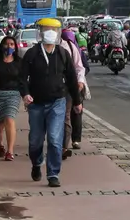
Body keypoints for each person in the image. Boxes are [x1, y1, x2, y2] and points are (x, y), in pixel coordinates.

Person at [19, 18, 82, 188]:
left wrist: (77, 101)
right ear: (40, 32)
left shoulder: (63, 53)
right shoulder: (32, 54)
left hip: (57, 102)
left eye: (53, 29)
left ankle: (53, 173)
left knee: (55, 139)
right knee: (35, 140)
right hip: (36, 104)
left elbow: (72, 79)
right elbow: (22, 78)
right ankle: (36, 163)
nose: (50, 32)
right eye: (47, 29)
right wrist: (25, 94)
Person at [59, 29, 88, 158]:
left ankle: (64, 147)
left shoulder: (71, 47)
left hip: (70, 87)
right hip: (49, 89)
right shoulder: (39, 49)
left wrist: (80, 82)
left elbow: (80, 67)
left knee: (68, 116)